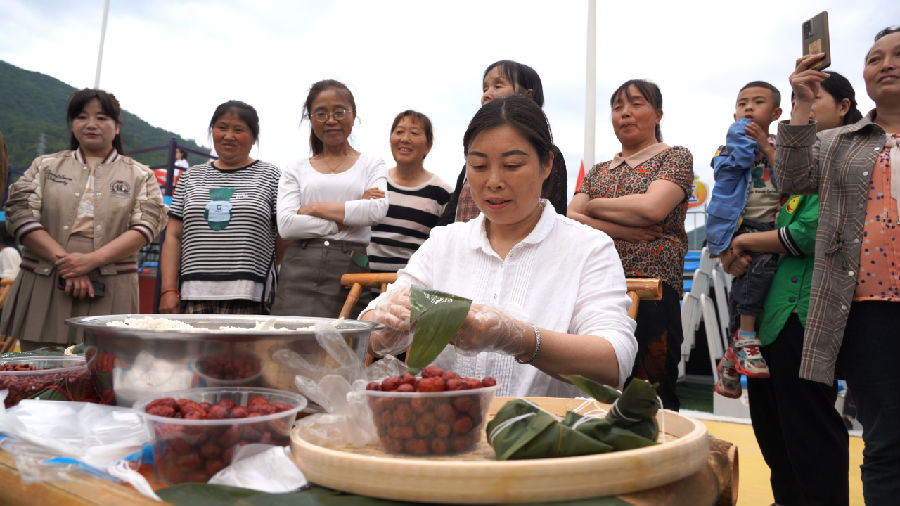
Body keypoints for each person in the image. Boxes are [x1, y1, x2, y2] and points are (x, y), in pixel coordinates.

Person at [363, 95, 637, 397]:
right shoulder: (445, 243)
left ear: (546, 164)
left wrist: (519, 338)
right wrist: (386, 326)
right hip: (449, 422)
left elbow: (614, 361)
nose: (493, 181)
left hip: (547, 423)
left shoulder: (588, 248)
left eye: (512, 165)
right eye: (479, 165)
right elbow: (371, 322)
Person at [721, 71, 862, 506]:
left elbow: (806, 234)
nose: (804, 107)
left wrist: (742, 243)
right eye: (798, 100)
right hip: (771, 316)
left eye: (812, 98)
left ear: (843, 107)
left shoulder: (844, 158)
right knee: (772, 429)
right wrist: (730, 247)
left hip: (809, 313)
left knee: (811, 430)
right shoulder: (787, 167)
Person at [776, 27, 899, 506]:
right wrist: (802, 103)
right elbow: (791, 177)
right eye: (874, 58)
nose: (885, 64)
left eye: (897, 54)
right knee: (886, 440)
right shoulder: (838, 142)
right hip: (870, 308)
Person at [1, 88, 166, 349]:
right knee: (40, 363)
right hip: (44, 277)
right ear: (72, 124)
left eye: (101, 118)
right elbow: (19, 215)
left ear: (117, 127)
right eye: (81, 117)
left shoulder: (140, 175)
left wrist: (90, 261)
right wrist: (66, 263)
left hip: (111, 283)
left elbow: (146, 226)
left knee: (103, 362)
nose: (91, 124)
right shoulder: (44, 166)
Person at [567, 79, 693, 410]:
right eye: (617, 107)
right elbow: (570, 217)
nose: (625, 113)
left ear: (658, 114)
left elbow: (653, 208)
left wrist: (594, 206)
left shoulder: (674, 157)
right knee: (594, 389)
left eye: (636, 104)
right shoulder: (598, 171)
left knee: (651, 391)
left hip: (653, 289)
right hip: (596, 288)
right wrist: (621, 228)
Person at [273, 79, 388, 318]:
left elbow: (376, 210)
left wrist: (315, 207)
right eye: (321, 114)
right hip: (299, 269)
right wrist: (344, 220)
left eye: (339, 112)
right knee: (289, 336)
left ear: (353, 115)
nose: (331, 120)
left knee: (342, 338)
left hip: (350, 268)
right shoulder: (295, 169)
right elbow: (286, 225)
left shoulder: (372, 163)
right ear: (311, 119)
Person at [159, 101, 284, 315]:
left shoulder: (271, 176)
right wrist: (168, 290)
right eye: (222, 127)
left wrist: (262, 266)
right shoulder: (190, 177)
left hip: (251, 296)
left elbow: (284, 235)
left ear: (254, 137)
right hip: (193, 294)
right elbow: (173, 236)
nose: (228, 136)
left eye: (238, 130)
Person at [706, 81, 784, 395]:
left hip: (774, 225)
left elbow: (791, 180)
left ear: (776, 113)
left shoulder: (782, 147)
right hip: (743, 225)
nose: (749, 107)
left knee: (749, 287)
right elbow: (723, 185)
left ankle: (731, 355)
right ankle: (746, 338)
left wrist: (766, 146)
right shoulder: (728, 148)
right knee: (755, 269)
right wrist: (723, 248)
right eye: (742, 103)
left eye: (758, 102)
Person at [437, 60, 567, 225]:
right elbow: (451, 212)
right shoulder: (471, 161)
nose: (487, 94)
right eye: (479, 166)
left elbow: (555, 216)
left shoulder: (549, 155)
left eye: (498, 86)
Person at [367, 110, 452, 273]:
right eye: (399, 132)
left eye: (414, 133)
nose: (405, 139)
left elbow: (444, 246)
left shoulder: (442, 193)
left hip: (411, 285)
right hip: (362, 283)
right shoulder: (375, 181)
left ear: (428, 146)